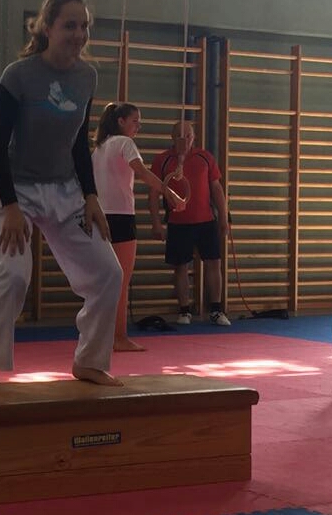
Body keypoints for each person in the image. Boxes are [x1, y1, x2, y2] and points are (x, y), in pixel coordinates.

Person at [0, 0, 122, 391]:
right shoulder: (19, 75)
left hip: (66, 190)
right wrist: (11, 206)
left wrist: (91, 196)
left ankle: (90, 361)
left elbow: (78, 143)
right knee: (16, 274)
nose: (79, 34)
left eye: (84, 26)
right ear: (47, 28)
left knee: (108, 272)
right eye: (70, 25)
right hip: (16, 188)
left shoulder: (87, 77)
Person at [91, 101, 186, 351]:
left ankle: (99, 336)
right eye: (135, 121)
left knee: (102, 281)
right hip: (120, 218)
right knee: (121, 281)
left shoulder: (98, 149)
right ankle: (119, 337)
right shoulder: (124, 143)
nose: (138, 127)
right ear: (121, 121)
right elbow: (142, 173)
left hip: (99, 216)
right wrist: (170, 194)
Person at [148, 120, 230, 326]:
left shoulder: (205, 157)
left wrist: (223, 217)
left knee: (214, 263)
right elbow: (153, 194)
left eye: (188, 135)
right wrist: (156, 223)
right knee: (180, 266)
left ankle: (216, 310)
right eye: (180, 135)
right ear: (172, 137)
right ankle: (184, 310)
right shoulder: (162, 160)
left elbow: (216, 189)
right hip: (178, 222)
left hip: (206, 221)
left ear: (194, 137)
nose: (184, 139)